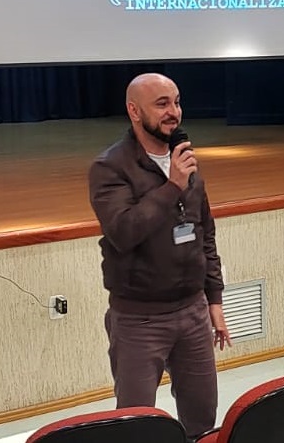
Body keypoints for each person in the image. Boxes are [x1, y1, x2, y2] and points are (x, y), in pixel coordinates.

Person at [88, 72, 231, 438]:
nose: (174, 112)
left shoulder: (184, 159)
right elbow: (123, 232)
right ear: (134, 111)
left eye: (177, 102)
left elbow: (204, 232)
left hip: (192, 311)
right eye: (162, 104)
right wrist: (173, 186)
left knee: (203, 418)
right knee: (137, 424)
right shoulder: (110, 167)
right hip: (140, 319)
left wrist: (214, 299)